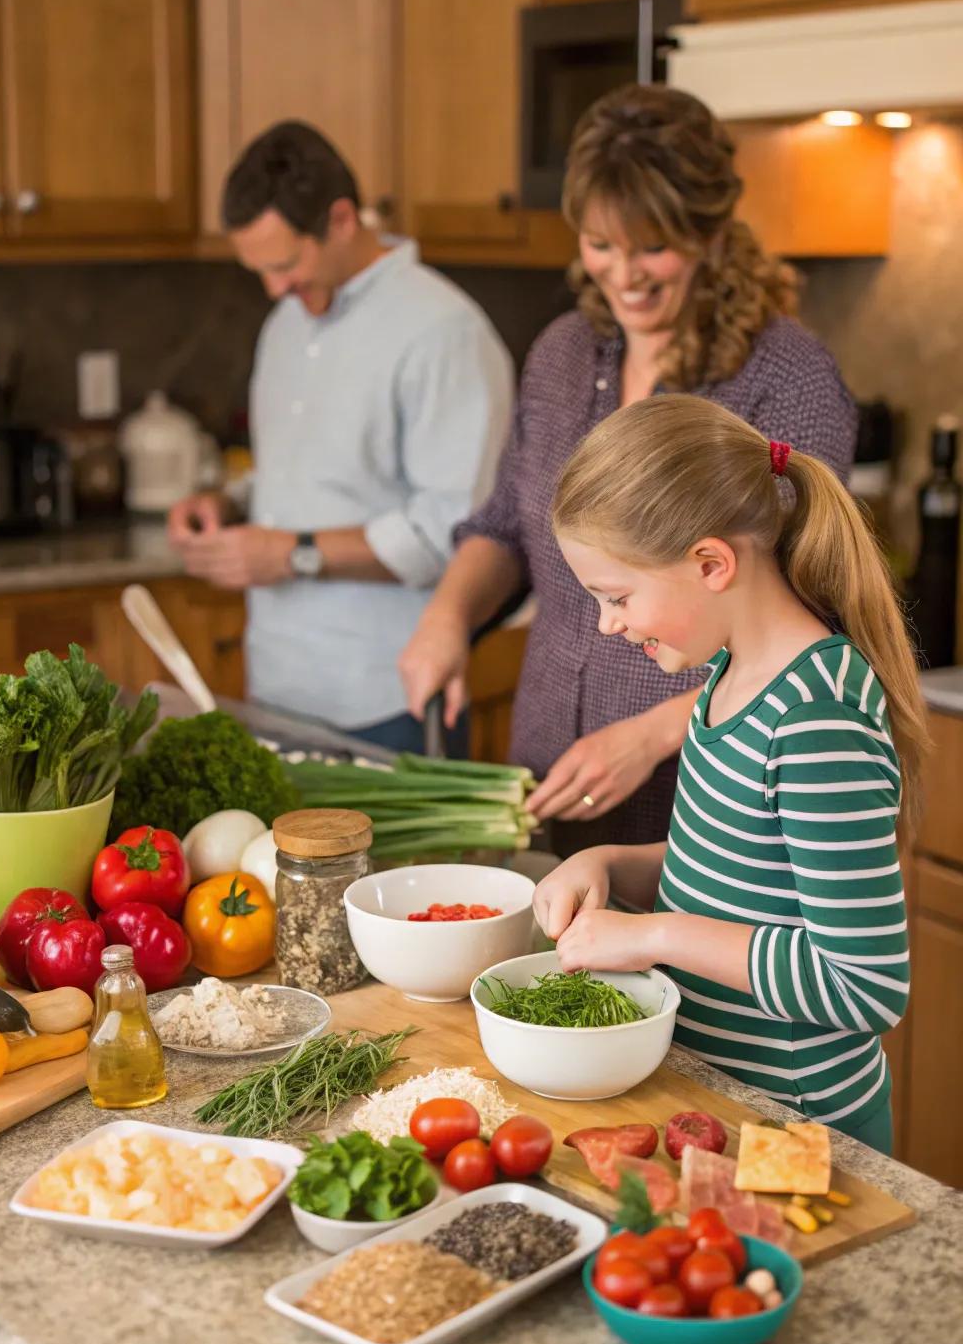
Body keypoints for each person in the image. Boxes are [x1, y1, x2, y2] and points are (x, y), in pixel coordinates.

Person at [399, 85, 858, 850]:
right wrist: (446, 617)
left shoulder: (789, 379)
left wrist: (648, 736)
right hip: (548, 774)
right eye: (602, 244)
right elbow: (508, 526)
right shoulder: (560, 356)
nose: (626, 275)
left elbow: (814, 617)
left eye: (653, 245)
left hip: (706, 793)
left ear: (712, 234)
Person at [532, 395, 925, 1151]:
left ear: (711, 563)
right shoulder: (731, 675)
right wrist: (607, 863)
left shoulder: (816, 721)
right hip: (719, 1101)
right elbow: (734, 876)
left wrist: (654, 938)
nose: (610, 624)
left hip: (801, 1126)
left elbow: (865, 986)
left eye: (617, 597)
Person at [168, 121, 513, 751]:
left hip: (389, 695)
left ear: (342, 219)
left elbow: (456, 529)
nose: (274, 288)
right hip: (278, 685)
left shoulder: (443, 332)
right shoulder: (285, 325)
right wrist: (231, 503)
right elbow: (314, 471)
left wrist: (290, 553)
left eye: (286, 263)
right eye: (260, 271)